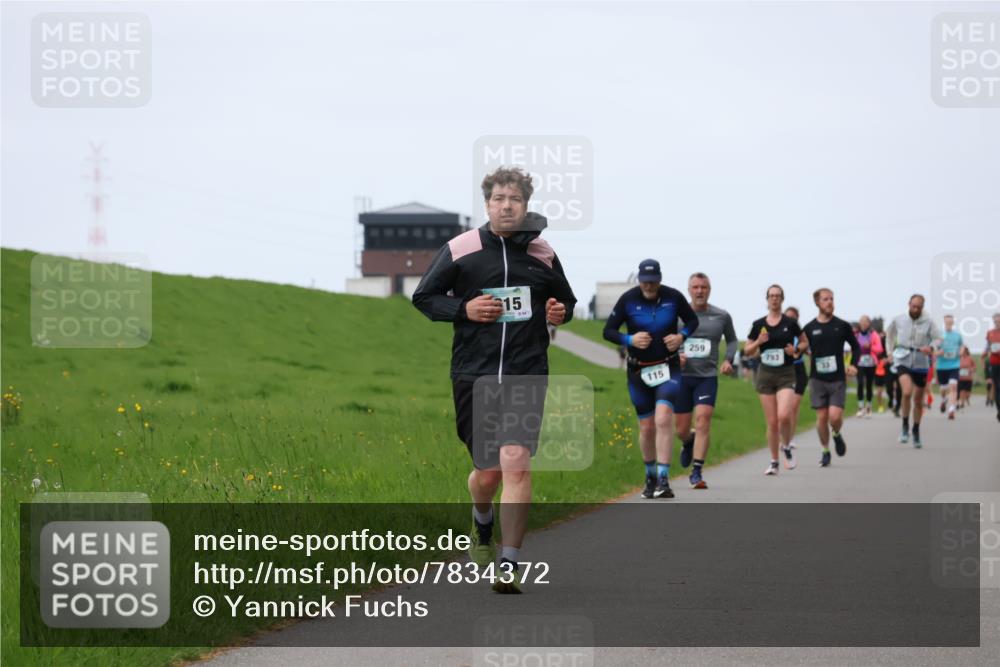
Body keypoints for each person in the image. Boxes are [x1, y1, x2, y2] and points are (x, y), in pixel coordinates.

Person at [412, 166, 576, 593]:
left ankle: (510, 563)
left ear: (526, 204)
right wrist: (463, 309)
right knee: (486, 473)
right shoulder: (462, 248)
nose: (507, 205)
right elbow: (424, 297)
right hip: (475, 374)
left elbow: (567, 302)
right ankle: (481, 523)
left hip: (526, 373)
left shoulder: (542, 252)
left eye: (515, 199)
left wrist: (558, 312)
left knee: (516, 462)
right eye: (499, 199)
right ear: (487, 204)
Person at [604, 259, 698, 499]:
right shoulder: (628, 299)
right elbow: (609, 331)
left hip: (668, 368)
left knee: (664, 418)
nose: (649, 285)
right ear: (639, 279)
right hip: (638, 372)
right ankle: (650, 476)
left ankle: (664, 480)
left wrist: (681, 336)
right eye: (645, 281)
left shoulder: (674, 297)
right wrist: (629, 340)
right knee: (646, 427)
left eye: (653, 281)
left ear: (660, 278)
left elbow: (692, 321)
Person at [674, 272, 738, 489]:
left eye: (703, 287)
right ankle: (687, 441)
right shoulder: (677, 315)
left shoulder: (721, 316)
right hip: (682, 377)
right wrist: (675, 357)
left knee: (703, 420)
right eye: (695, 287)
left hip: (707, 377)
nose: (699, 291)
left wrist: (729, 360)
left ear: (709, 290)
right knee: (681, 429)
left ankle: (697, 471)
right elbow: (663, 340)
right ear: (689, 289)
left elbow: (731, 340)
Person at [743, 285, 804, 476]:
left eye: (778, 296)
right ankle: (774, 461)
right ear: (767, 299)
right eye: (771, 296)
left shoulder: (790, 322)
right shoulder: (758, 324)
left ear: (782, 299)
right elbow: (747, 350)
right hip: (766, 374)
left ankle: (786, 446)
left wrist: (795, 350)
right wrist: (759, 342)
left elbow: (804, 341)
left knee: (784, 415)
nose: (774, 299)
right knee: (772, 422)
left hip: (786, 373)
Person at [801, 289, 860, 467]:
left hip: (837, 379)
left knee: (834, 417)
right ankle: (825, 450)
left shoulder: (842, 326)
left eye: (832, 299)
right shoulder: (809, 328)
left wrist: (854, 365)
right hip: (817, 379)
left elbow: (856, 347)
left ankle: (836, 433)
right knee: (821, 418)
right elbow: (801, 346)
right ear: (817, 303)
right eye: (825, 299)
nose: (830, 302)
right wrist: (804, 351)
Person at [885, 294, 942, 448]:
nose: (915, 309)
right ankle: (904, 426)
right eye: (913, 306)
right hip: (902, 358)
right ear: (909, 304)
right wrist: (889, 352)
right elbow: (889, 335)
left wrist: (930, 347)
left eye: (919, 307)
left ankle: (915, 429)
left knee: (918, 400)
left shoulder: (928, 321)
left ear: (922, 307)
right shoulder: (899, 319)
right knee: (907, 392)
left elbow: (938, 338)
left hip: (920, 362)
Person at [783, 306, 808, 460]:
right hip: (785, 370)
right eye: (788, 316)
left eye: (793, 317)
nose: (791, 319)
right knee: (785, 408)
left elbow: (807, 346)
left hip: (799, 370)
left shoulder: (801, 333)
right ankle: (784, 439)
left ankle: (790, 438)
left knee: (794, 406)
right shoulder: (781, 332)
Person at [935, 315, 963, 420]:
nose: (949, 324)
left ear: (953, 323)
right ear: (944, 322)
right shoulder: (940, 336)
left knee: (953, 387)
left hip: (954, 365)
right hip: (941, 366)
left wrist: (960, 352)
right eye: (947, 322)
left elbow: (962, 346)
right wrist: (939, 352)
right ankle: (943, 400)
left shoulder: (957, 335)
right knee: (943, 388)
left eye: (950, 322)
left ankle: (951, 410)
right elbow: (933, 350)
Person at [854, 315, 883, 418]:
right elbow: (852, 347)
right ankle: (860, 407)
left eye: (865, 322)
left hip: (871, 362)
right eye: (861, 321)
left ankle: (869, 407)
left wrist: (870, 346)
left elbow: (879, 349)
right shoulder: (856, 335)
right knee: (860, 383)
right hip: (859, 362)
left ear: (869, 323)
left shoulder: (874, 334)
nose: (863, 323)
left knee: (869, 385)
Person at [986, 313, 1000, 421]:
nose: (997, 323)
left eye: (999, 321)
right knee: (996, 387)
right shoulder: (990, 333)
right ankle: (999, 409)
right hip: (994, 363)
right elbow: (988, 347)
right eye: (995, 321)